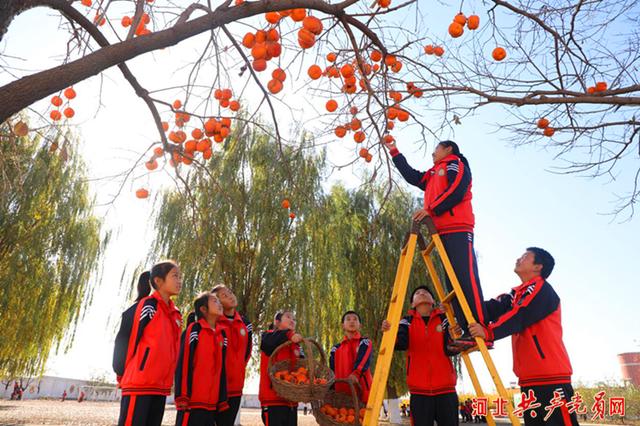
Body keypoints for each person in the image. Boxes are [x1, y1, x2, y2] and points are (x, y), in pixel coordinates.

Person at [385, 139, 488, 346]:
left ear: (448, 149)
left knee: (466, 278)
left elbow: (456, 190)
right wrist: (395, 151)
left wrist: (431, 210)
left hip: (458, 226)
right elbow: (412, 176)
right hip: (440, 232)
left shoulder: (455, 164)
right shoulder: (433, 173)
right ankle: (467, 328)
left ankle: (480, 327)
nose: (433, 154)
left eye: (436, 149)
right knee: (453, 283)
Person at [469, 247, 579, 426]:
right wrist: (458, 310)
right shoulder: (514, 294)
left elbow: (521, 316)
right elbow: (490, 309)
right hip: (528, 379)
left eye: (525, 256)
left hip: (551, 378)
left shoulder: (542, 289)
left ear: (538, 267)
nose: (518, 258)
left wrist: (489, 332)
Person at [112, 261, 183, 426]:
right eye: (175, 276)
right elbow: (124, 339)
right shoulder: (147, 306)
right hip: (139, 383)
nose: (179, 281)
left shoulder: (176, 314)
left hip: (160, 386)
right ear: (158, 281)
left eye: (180, 277)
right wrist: (121, 372)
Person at [382, 286, 459, 426]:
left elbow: (453, 348)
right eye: (417, 293)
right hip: (419, 392)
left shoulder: (444, 319)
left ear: (433, 301)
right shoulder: (406, 321)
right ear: (412, 303)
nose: (422, 293)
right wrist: (389, 333)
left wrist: (454, 317)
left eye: (426, 292)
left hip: (446, 389)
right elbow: (400, 344)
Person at [175, 292, 228, 426]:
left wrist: (222, 398)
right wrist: (183, 396)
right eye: (215, 301)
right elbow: (184, 362)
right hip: (192, 402)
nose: (219, 304)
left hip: (212, 403)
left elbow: (222, 369)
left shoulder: (222, 335)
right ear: (203, 309)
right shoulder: (195, 329)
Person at [211, 284, 252, 426]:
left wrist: (238, 368)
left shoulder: (245, 323)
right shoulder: (213, 322)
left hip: (235, 386)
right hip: (216, 386)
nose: (230, 296)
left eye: (230, 292)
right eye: (223, 295)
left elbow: (247, 352)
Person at [259, 310, 303, 426]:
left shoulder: (296, 345)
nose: (292, 320)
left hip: (291, 402)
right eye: (288, 317)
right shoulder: (268, 336)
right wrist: (289, 335)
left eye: (294, 319)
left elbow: (302, 368)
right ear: (277, 322)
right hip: (272, 399)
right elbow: (270, 341)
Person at [329, 310, 373, 404]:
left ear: (360, 325)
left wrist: (356, 374)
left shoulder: (365, 342)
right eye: (348, 319)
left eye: (355, 319)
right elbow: (332, 371)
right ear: (343, 326)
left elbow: (363, 360)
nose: (352, 321)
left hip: (362, 392)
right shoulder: (335, 349)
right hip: (342, 394)